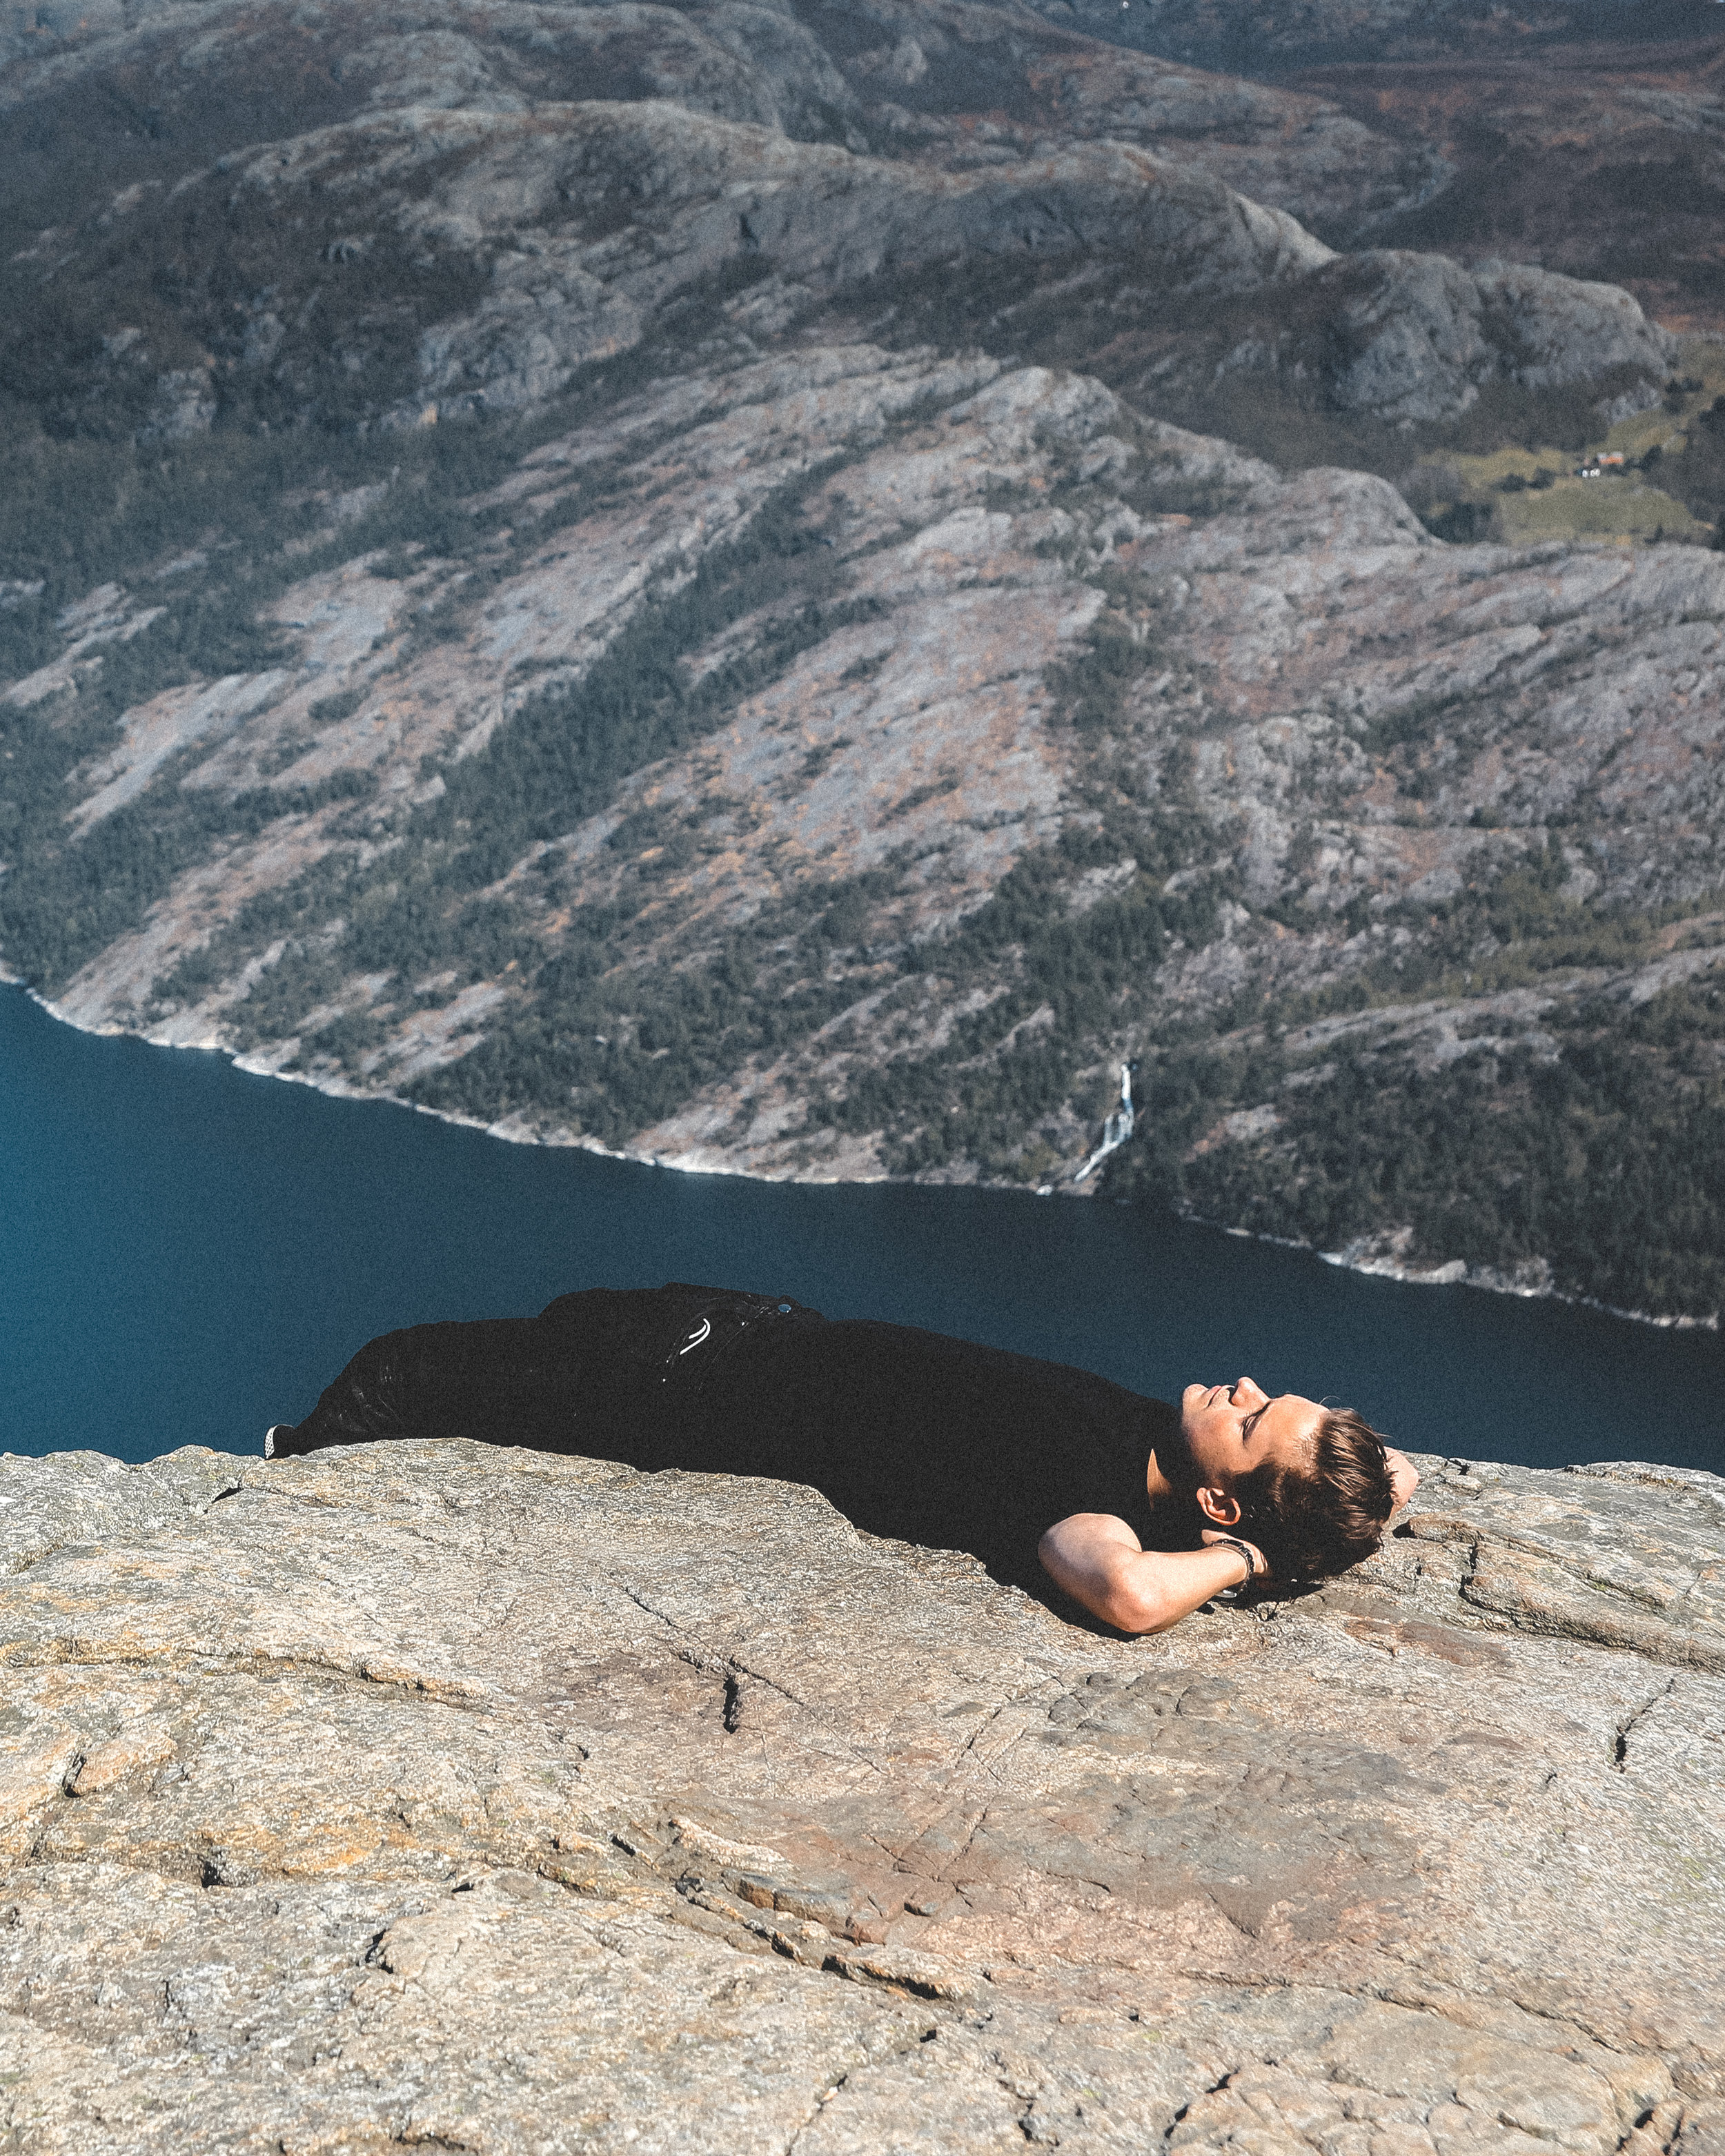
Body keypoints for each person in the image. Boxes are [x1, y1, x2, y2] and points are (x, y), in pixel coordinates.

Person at [266, 1281, 1419, 1634]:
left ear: (1225, 1499)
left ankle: (276, 1495)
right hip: (758, 1323)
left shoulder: (1090, 1502)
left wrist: (1249, 1567)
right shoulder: (1174, 1456)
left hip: (674, 1386)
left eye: (1260, 1417)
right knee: (522, 1326)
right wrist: (1324, 1513)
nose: (1249, 1388)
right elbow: (1390, 1481)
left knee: (399, 1371)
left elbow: (1123, 1594)